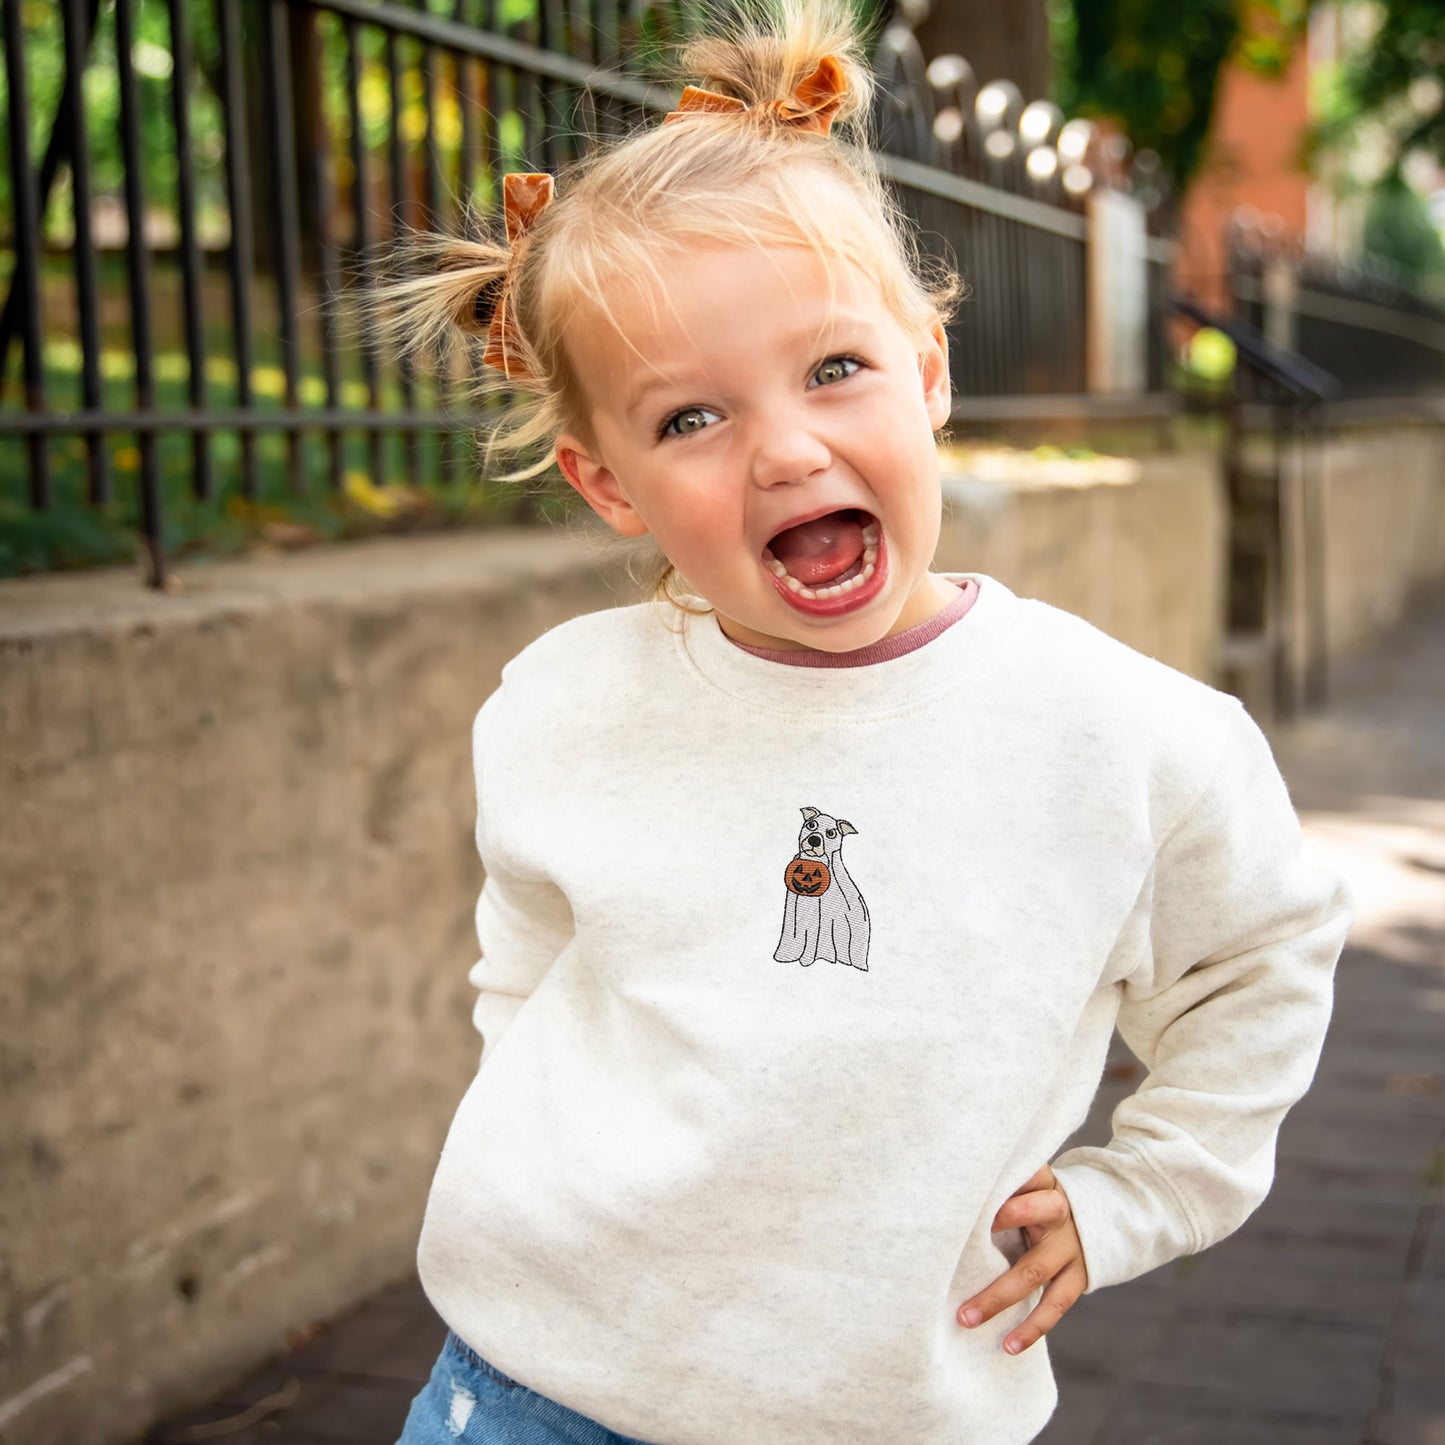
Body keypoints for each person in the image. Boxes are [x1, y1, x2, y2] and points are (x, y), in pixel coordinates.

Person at [382, 2, 1355, 1441]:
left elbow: (1261, 961)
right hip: (533, 1382)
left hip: (886, 1408)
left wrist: (1139, 1189)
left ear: (930, 373)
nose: (784, 447)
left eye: (833, 369)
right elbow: (524, 966)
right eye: (689, 418)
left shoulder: (1128, 739)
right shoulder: (565, 704)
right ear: (607, 485)